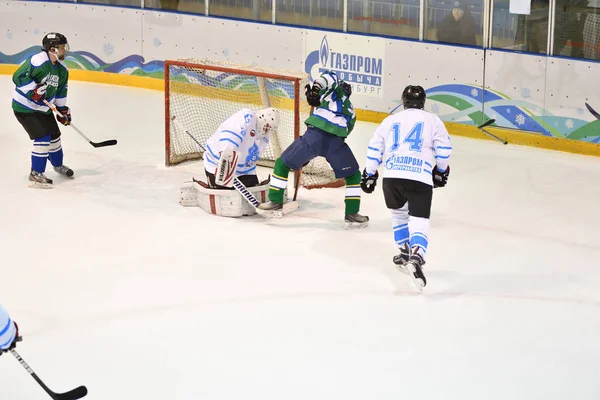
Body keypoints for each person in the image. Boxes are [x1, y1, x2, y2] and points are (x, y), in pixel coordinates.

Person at [360, 85, 452, 290]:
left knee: (399, 214)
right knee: (419, 219)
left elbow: (375, 147)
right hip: (419, 176)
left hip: (392, 177)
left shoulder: (390, 120)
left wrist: (370, 173)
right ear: (423, 102)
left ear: (403, 102)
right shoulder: (433, 120)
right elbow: (443, 149)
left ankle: (404, 253)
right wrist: (440, 170)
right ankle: (416, 256)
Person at [257, 70, 369, 229]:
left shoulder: (331, 93)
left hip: (314, 137)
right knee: (353, 175)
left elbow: (329, 76)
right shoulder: (351, 110)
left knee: (282, 164)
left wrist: (316, 89)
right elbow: (347, 132)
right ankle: (352, 213)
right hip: (336, 143)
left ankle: (275, 202)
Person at [12, 32, 74, 189]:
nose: (64, 50)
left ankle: (58, 165)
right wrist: (33, 89)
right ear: (52, 49)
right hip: (25, 107)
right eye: (61, 48)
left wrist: (62, 111)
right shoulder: (38, 60)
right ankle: (36, 173)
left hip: (43, 108)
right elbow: (18, 77)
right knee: (43, 137)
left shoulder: (62, 69)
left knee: (55, 137)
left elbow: (60, 91)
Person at [203, 107, 280, 188]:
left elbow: (251, 159)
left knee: (254, 192)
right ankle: (212, 183)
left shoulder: (265, 137)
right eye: (267, 126)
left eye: (271, 128)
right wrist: (224, 162)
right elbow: (230, 138)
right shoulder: (247, 117)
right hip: (216, 162)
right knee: (226, 195)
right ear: (262, 118)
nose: (268, 130)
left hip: (243, 170)